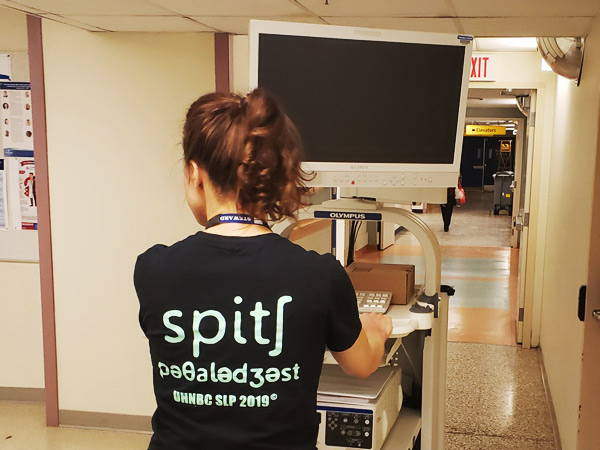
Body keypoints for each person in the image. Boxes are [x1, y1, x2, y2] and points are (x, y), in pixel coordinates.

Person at [134, 88, 393, 450]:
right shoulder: (318, 275)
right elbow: (361, 365)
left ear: (195, 173)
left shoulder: (153, 270)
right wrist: (377, 330)